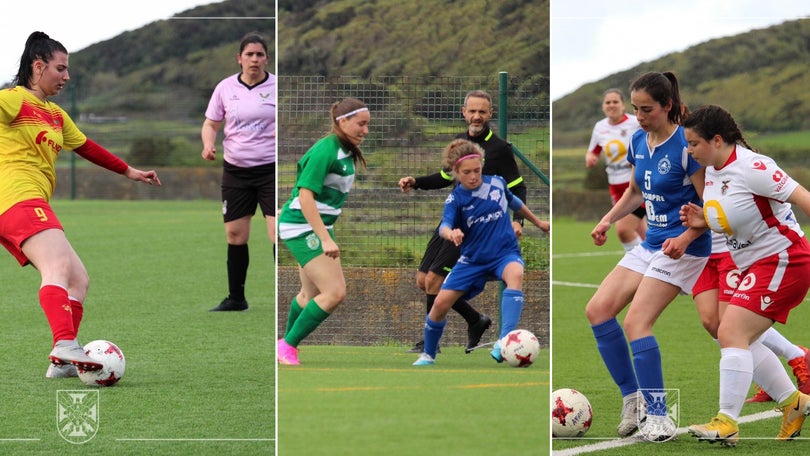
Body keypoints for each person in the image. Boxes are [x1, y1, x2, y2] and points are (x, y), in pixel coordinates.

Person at [0, 32, 161, 378]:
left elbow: (86, 146)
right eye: (61, 68)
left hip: (29, 201)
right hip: (15, 197)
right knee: (57, 265)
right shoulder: (14, 100)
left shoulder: (55, 114)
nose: (67, 76)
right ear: (38, 66)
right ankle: (63, 343)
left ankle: (61, 363)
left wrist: (129, 171)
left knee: (79, 280)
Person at [585, 71, 710, 441]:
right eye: (636, 109)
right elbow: (635, 193)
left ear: (667, 106)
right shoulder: (638, 139)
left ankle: (660, 416)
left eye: (647, 110)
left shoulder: (688, 146)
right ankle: (634, 399)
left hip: (685, 250)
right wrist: (608, 219)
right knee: (597, 310)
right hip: (651, 244)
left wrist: (688, 236)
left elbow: (712, 208)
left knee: (637, 323)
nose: (639, 117)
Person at [680, 105, 810, 445]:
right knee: (735, 334)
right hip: (752, 264)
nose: (689, 151)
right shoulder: (712, 171)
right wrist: (701, 220)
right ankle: (792, 402)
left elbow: (804, 199)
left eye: (693, 144)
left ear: (717, 140)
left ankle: (727, 422)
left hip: (785, 259)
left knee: (731, 331)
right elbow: (735, 213)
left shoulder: (754, 167)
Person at [398, 89, 527, 353]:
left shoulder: (501, 149)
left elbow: (517, 187)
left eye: (482, 111)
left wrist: (518, 222)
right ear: (464, 112)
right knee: (423, 280)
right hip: (452, 221)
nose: (477, 116)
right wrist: (417, 183)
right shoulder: (460, 143)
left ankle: (429, 345)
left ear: (490, 114)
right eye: (472, 111)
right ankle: (474, 319)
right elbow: (446, 178)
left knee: (434, 280)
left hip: (473, 230)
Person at [412, 139, 549, 366]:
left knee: (515, 274)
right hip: (472, 261)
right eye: (467, 172)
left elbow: (514, 202)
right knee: (439, 304)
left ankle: (504, 342)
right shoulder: (456, 200)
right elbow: (445, 225)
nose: (473, 176)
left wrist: (537, 222)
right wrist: (451, 233)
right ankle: (428, 354)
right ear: (455, 171)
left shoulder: (497, 183)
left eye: (477, 170)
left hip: (504, 253)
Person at [277, 98, 370, 365]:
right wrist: (325, 238)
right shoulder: (325, 150)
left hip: (314, 226)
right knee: (335, 292)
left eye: (367, 124)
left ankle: (284, 345)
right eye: (361, 124)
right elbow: (305, 197)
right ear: (343, 122)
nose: (365, 130)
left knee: (309, 296)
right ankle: (288, 346)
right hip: (301, 226)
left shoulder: (345, 150)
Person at [201, 32, 276, 312]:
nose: (254, 59)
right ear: (239, 58)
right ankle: (236, 298)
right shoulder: (225, 88)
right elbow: (211, 124)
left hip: (270, 171)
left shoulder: (277, 87)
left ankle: (284, 297)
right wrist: (208, 146)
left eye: (259, 54)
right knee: (235, 235)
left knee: (275, 233)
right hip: (235, 171)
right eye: (249, 54)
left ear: (267, 58)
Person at [692, 232, 810, 404]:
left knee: (732, 324)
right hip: (698, 252)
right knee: (711, 323)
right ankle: (775, 376)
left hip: (730, 249)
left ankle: (795, 356)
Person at [585, 88, 646, 252]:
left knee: (624, 231)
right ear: (603, 106)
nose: (611, 105)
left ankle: (638, 267)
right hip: (615, 185)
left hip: (635, 185)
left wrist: (636, 160)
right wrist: (590, 157)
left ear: (623, 105)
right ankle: (655, 266)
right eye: (607, 102)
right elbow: (594, 150)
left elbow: (652, 142)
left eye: (615, 101)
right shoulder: (600, 127)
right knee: (643, 234)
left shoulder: (636, 123)